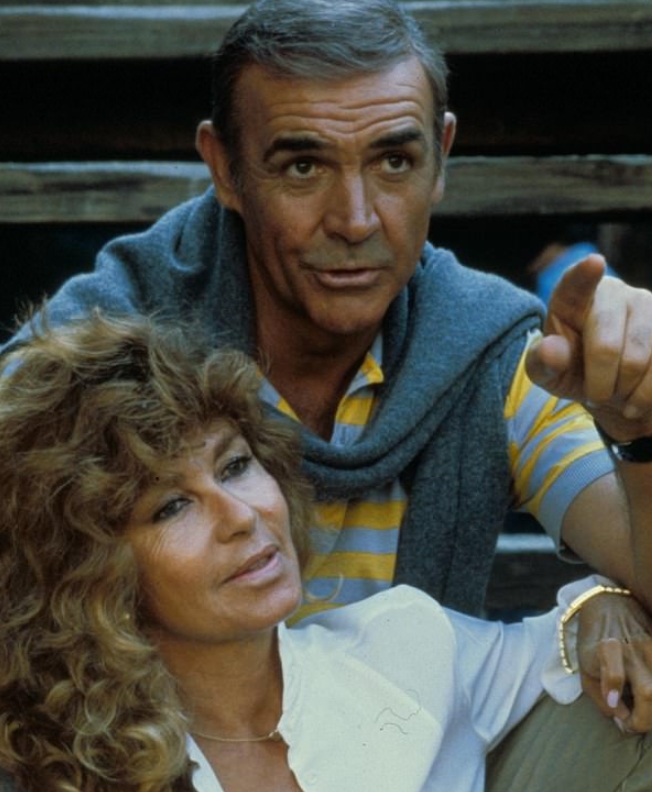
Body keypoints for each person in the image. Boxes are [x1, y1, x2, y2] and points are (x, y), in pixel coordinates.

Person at [5, 0, 652, 786]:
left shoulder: (491, 353)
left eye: (394, 161)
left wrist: (638, 434)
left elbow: (634, 558)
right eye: (303, 166)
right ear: (225, 169)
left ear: (442, 156)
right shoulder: (100, 361)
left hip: (406, 747)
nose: (354, 219)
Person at [0, 311, 639, 791]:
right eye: (172, 506)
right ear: (93, 572)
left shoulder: (404, 649)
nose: (241, 517)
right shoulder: (64, 767)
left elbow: (564, 649)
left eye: (235, 466)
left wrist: (598, 599)